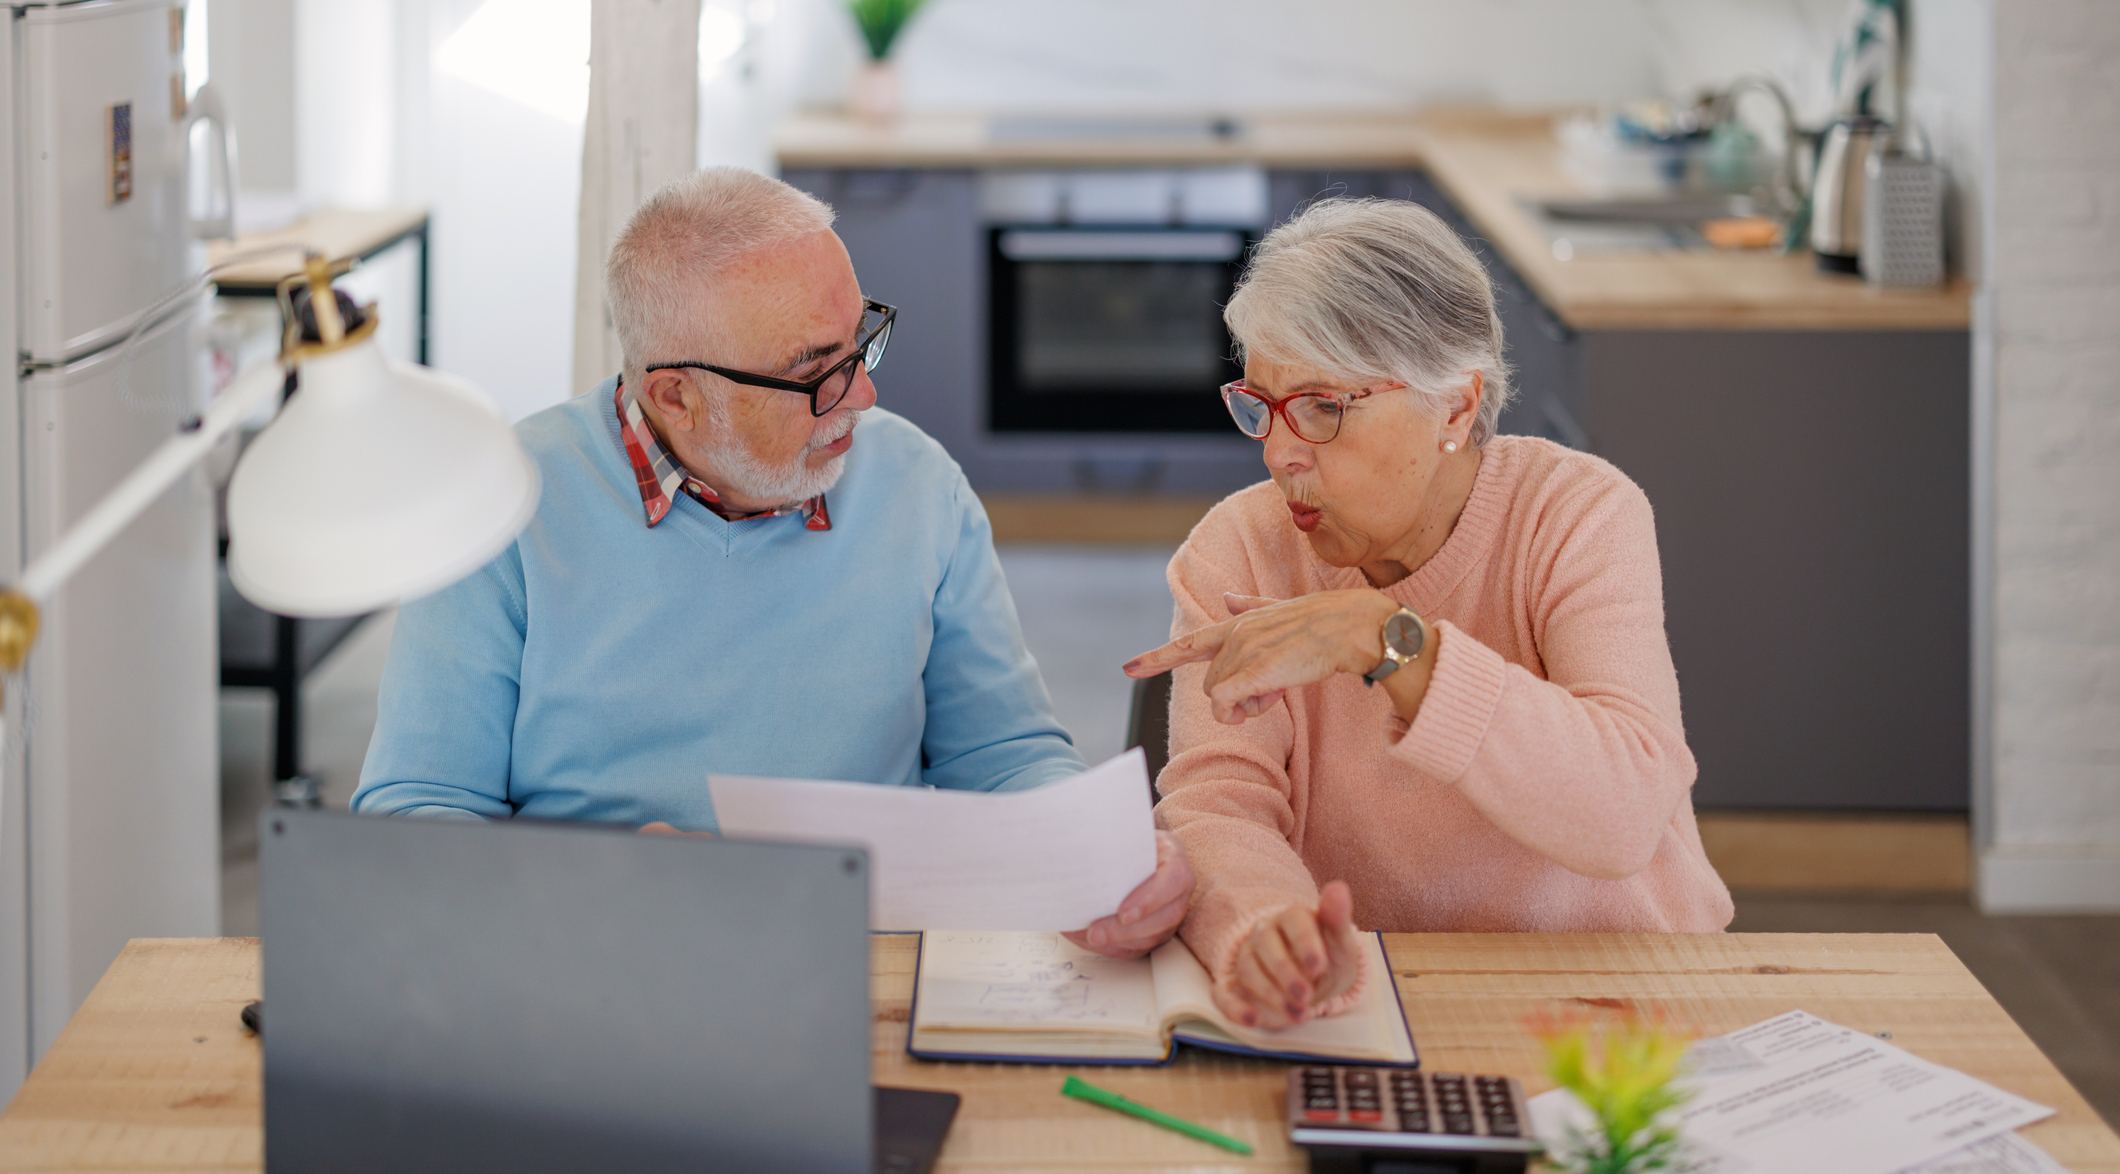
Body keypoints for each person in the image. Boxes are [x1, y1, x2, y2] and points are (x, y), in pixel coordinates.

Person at [355, 168, 1189, 959]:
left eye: (859, 339)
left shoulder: (917, 485)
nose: (861, 395)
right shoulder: (498, 509)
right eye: (813, 372)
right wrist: (592, 883)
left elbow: (1004, 756)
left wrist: (1097, 858)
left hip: (865, 968)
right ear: (676, 394)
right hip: (593, 959)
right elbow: (416, 816)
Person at [1123, 197, 1731, 1028]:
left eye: (1324, 407)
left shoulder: (1578, 515)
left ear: (1453, 404)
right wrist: (1269, 931)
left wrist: (1379, 638)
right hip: (1382, 1004)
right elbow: (1221, 805)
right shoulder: (1239, 546)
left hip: (1624, 1003)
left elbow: (1624, 813)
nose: (1278, 451)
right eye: (1262, 405)